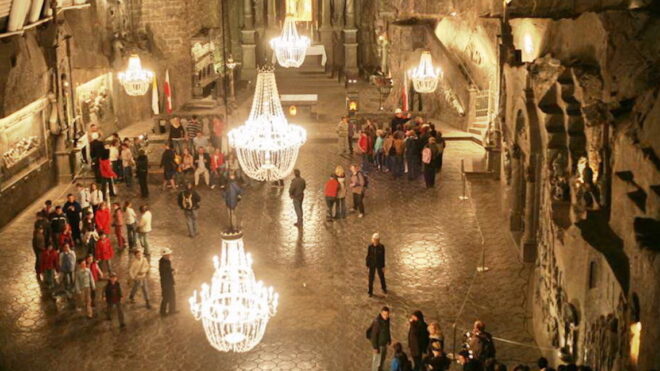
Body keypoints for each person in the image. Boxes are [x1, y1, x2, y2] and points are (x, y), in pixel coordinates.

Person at [369, 306, 392, 371]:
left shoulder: (387, 320)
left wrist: (389, 339)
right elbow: (374, 336)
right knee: (376, 361)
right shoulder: (377, 323)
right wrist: (375, 347)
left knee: (382, 359)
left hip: (384, 344)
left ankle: (380, 369)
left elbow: (388, 330)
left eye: (387, 314)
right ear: (381, 313)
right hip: (379, 345)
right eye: (384, 314)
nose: (386, 316)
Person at [366, 233, 386, 297]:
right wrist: (368, 266)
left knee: (381, 277)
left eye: (377, 240)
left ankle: (384, 288)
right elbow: (368, 256)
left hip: (379, 264)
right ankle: (370, 291)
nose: (376, 241)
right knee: (371, 279)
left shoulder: (381, 247)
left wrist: (383, 266)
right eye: (374, 240)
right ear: (372, 240)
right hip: (372, 264)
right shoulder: (370, 247)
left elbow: (383, 257)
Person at [159, 248, 177, 316]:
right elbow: (165, 272)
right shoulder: (162, 263)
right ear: (164, 255)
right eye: (168, 254)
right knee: (166, 297)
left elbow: (168, 268)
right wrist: (172, 272)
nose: (170, 255)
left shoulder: (167, 261)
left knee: (172, 296)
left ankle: (172, 310)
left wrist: (172, 269)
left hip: (170, 282)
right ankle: (162, 312)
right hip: (165, 284)